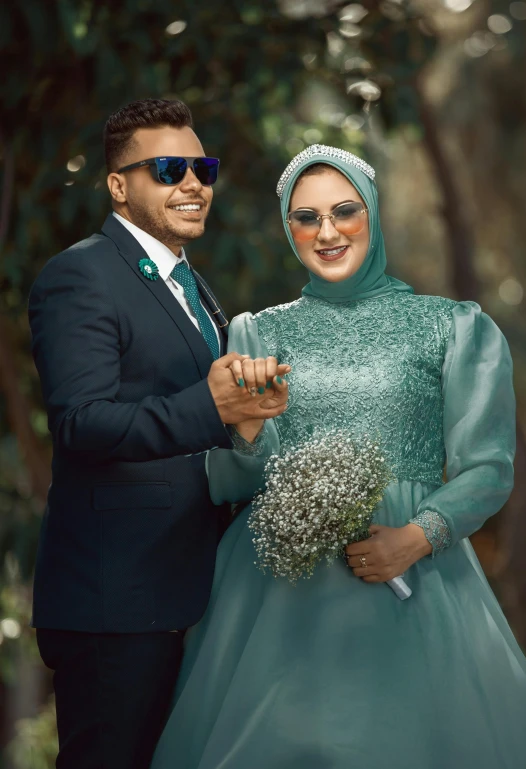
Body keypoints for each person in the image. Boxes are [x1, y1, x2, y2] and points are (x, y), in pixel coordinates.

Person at [151, 145, 526, 769]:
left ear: (373, 214)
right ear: (288, 228)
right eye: (306, 217)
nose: (326, 232)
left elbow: (487, 467)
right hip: (277, 598)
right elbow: (243, 476)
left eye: (344, 211)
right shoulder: (255, 334)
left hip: (416, 583)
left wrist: (414, 537)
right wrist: (247, 430)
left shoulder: (452, 327)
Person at [28, 98, 289, 769]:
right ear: (119, 185)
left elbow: (204, 424)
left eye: (201, 166)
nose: (193, 183)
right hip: (116, 604)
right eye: (169, 168)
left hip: (190, 591)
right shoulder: (80, 274)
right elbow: (82, 421)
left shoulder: (192, 285)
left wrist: (249, 424)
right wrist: (212, 405)